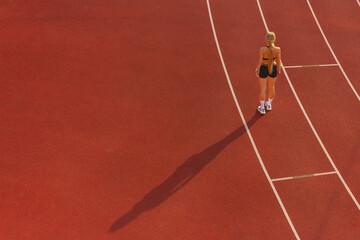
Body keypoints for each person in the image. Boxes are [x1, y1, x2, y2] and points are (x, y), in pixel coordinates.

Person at [255, 32, 281, 115]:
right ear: (274, 39)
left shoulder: (262, 49)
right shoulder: (278, 49)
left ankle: (262, 108)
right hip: (273, 67)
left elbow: (260, 61)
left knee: (263, 89)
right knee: (272, 87)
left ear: (266, 40)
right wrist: (279, 70)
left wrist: (257, 70)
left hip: (264, 68)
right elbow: (278, 61)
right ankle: (269, 104)